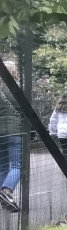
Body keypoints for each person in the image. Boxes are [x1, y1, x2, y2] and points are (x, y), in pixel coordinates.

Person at [0, 59, 21, 213]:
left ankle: (2, 197)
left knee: (2, 166)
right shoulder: (16, 88)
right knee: (17, 165)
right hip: (15, 130)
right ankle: (6, 192)